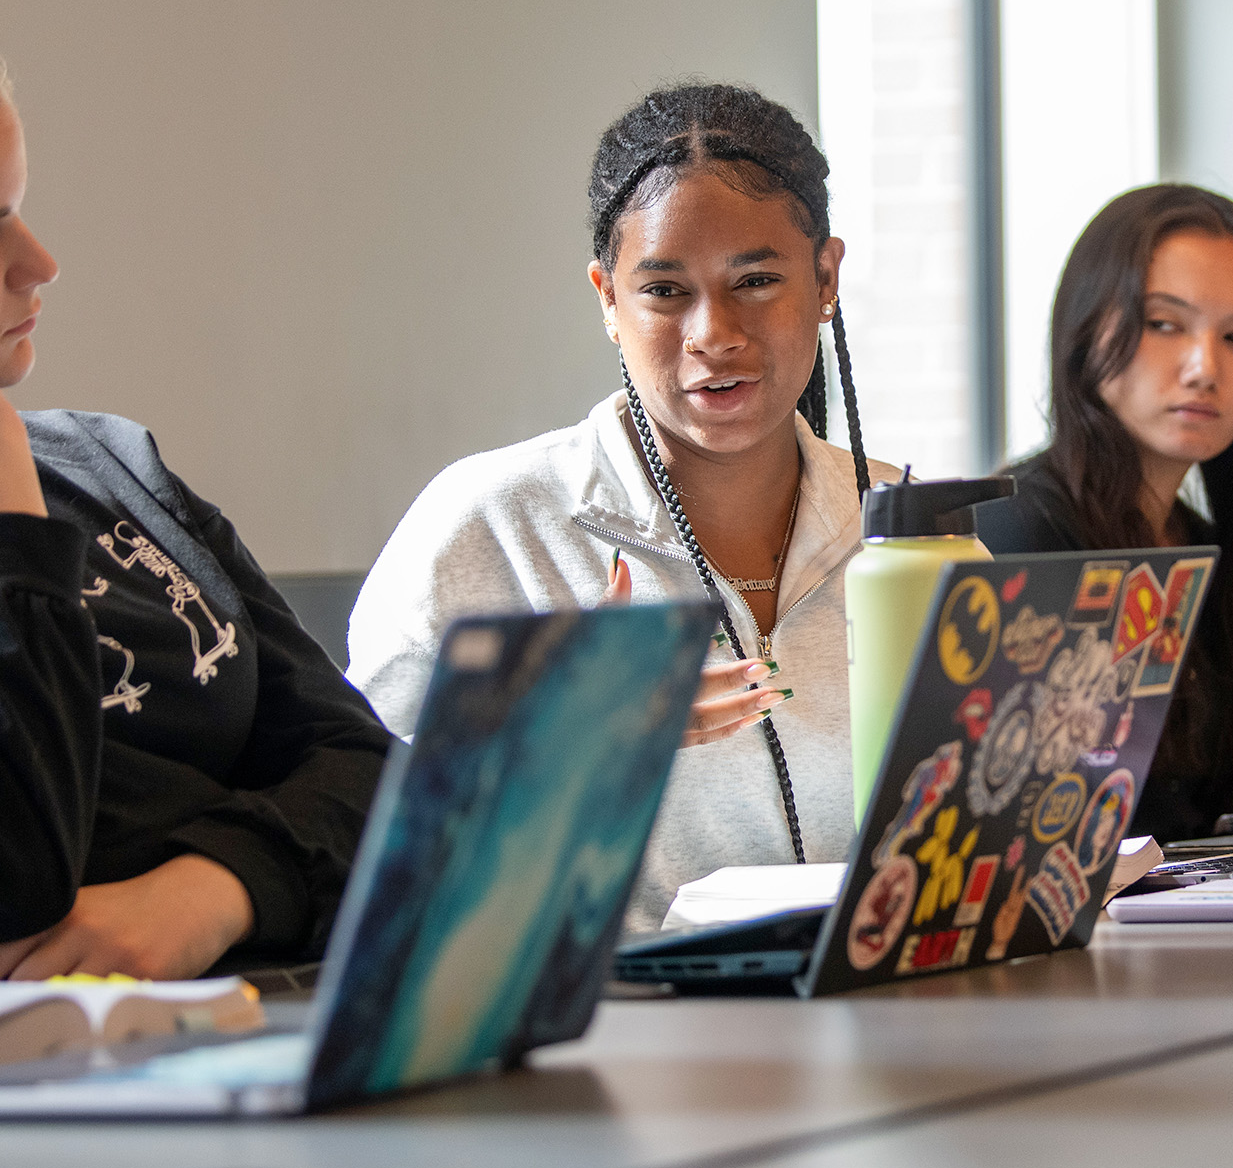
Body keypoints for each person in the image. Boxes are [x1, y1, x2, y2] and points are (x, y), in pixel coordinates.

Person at [346, 83, 898, 930]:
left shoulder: (910, 525)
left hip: (895, 1020)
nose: (714, 332)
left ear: (826, 278)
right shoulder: (490, 527)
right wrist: (561, 736)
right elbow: (348, 831)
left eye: (755, 278)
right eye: (666, 291)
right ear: (608, 299)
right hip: (610, 1032)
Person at [0, 60, 391, 978]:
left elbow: (369, 766)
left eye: (17, 208)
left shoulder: (114, 465)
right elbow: (18, 874)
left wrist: (210, 893)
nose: (39, 261)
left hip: (279, 1022)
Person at [973, 185, 1233, 839]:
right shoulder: (1015, 534)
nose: (1204, 367)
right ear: (1085, 332)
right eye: (1165, 324)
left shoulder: (1223, 550)